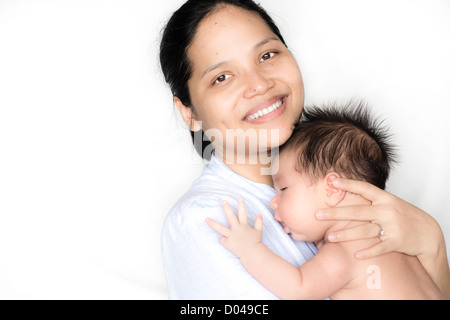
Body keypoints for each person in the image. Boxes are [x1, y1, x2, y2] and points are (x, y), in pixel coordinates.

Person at [159, 0, 450, 299]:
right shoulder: (205, 219)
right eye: (221, 77)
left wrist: (433, 244)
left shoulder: (352, 191)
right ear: (189, 112)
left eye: (267, 54)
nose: (259, 84)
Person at [206, 102, 444, 299]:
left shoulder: (344, 252)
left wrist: (251, 250)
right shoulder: (398, 245)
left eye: (284, 189)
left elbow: (298, 288)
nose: (273, 202)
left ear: (332, 188)